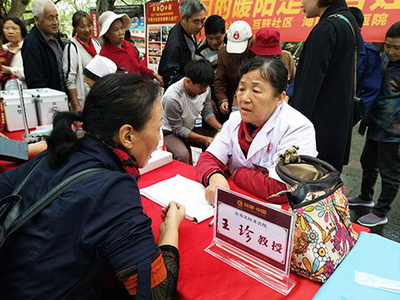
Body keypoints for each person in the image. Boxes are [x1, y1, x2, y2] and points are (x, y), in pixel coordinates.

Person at [0, 73, 186, 298]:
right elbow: (157, 293)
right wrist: (170, 229)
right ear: (127, 135)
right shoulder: (112, 190)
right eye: (157, 129)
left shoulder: (61, 150)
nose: (159, 139)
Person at [196, 58, 317, 205]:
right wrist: (215, 177)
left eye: (256, 90)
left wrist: (237, 173)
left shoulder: (298, 128)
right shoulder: (235, 120)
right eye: (241, 89)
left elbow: (282, 189)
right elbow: (207, 158)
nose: (244, 98)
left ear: (279, 98)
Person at [292, 0, 361, 172]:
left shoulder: (326, 28)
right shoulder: (348, 20)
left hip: (317, 133)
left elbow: (307, 87)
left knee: (308, 189)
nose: (301, 4)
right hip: (336, 129)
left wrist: (293, 130)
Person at [348, 22, 400, 227]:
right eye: (388, 46)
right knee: (368, 162)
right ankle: (365, 196)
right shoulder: (383, 58)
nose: (392, 51)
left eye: (397, 47)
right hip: (376, 125)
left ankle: (381, 211)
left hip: (394, 132)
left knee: (390, 173)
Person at [162, 59, 222, 164]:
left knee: (217, 142)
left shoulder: (205, 89)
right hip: (169, 131)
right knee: (182, 154)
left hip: (189, 126)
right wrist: (203, 139)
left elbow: (207, 111)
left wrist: (220, 128)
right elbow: (177, 128)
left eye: (206, 87)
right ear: (188, 81)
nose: (204, 90)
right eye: (201, 87)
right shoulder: (172, 98)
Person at [99, 11, 163, 86]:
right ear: (107, 33)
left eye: (122, 28)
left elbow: (139, 66)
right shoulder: (104, 56)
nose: (121, 32)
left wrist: (153, 74)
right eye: (116, 30)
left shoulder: (129, 45)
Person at [158, 0, 206, 90]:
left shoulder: (189, 31)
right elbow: (169, 75)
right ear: (184, 19)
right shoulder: (175, 44)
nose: (200, 26)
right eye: (195, 21)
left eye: (202, 21)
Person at [214, 20, 255, 121]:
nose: (238, 53)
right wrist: (223, 100)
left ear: (250, 40)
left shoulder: (258, 53)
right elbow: (219, 81)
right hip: (233, 102)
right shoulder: (224, 54)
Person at [22, 0, 65, 91]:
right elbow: (35, 81)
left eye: (56, 17)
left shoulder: (57, 37)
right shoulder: (31, 44)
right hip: (49, 100)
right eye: (50, 18)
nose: (55, 22)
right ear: (37, 19)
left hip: (64, 97)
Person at [63, 11, 101, 112]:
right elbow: (70, 79)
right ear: (75, 28)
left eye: (89, 25)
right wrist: (76, 105)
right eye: (82, 26)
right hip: (83, 101)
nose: (87, 30)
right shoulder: (72, 47)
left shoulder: (96, 44)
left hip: (98, 99)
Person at [349, 6, 382, 118]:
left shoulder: (369, 54)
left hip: (349, 112)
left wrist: (356, 114)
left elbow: (371, 90)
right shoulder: (328, 47)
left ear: (358, 30)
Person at [1, 17, 28, 90]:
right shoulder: (3, 50)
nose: (10, 32)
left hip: (24, 90)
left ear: (21, 30)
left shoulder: (27, 48)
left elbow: (31, 73)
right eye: (6, 28)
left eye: (14, 28)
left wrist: (11, 70)